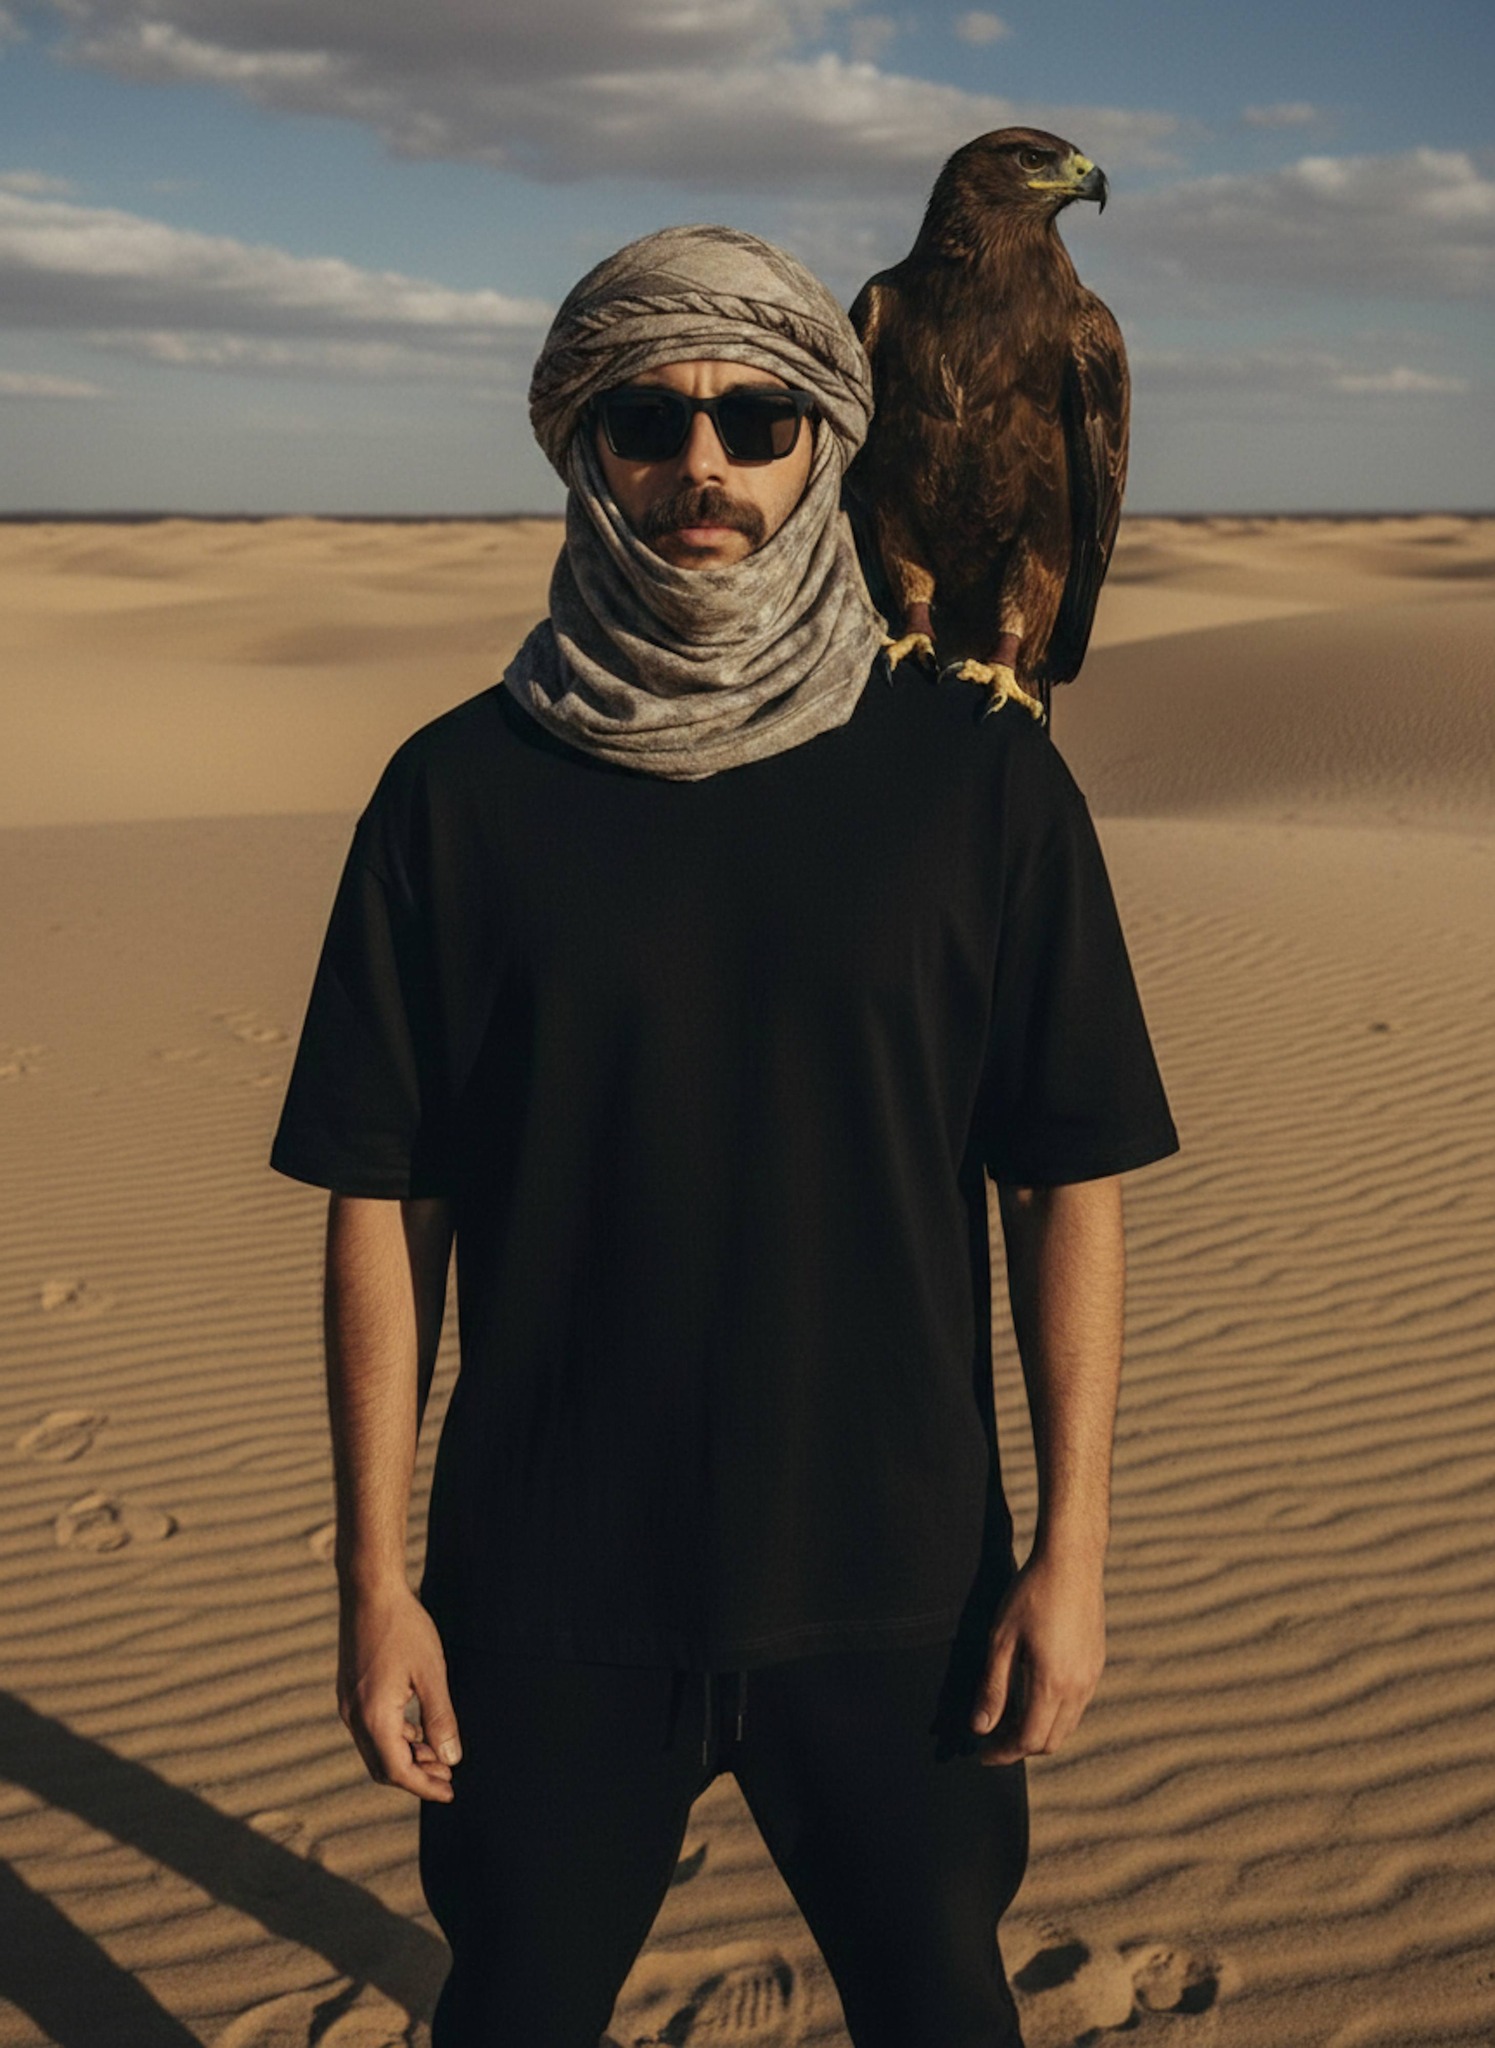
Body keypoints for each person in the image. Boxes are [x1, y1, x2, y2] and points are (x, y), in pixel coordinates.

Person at [271, 225, 1177, 2048]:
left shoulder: (978, 775)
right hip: (544, 1602)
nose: (705, 463)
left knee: (944, 2011)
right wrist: (378, 1588)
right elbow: (389, 1202)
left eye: (758, 418)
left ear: (824, 444)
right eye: (647, 418)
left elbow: (1063, 1174)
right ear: (581, 447)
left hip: (900, 1592)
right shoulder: (457, 792)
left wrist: (1070, 1555)